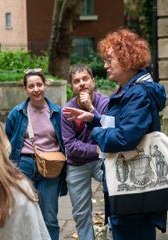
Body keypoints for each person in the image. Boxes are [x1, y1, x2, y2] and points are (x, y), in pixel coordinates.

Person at [63, 28, 167, 240]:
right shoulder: (129, 90)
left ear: (126, 59)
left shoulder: (137, 94)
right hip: (128, 186)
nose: (105, 65)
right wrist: (94, 119)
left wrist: (98, 132)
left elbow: (124, 138)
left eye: (109, 59)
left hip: (134, 188)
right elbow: (120, 125)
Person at [5, 68, 66, 240]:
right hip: (24, 165)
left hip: (51, 167)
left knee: (49, 217)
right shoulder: (17, 113)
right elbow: (9, 138)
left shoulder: (57, 112)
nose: (36, 89)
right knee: (23, 214)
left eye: (39, 84)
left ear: (45, 85)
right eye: (31, 86)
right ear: (25, 89)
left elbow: (64, 139)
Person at [61, 64, 109, 240]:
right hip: (77, 164)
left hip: (101, 161)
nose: (81, 83)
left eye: (85, 79)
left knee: (116, 199)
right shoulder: (67, 110)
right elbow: (70, 145)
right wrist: (96, 148)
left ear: (93, 81)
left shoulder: (105, 103)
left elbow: (108, 131)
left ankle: (111, 234)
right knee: (81, 213)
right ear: (71, 86)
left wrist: (90, 108)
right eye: (76, 81)